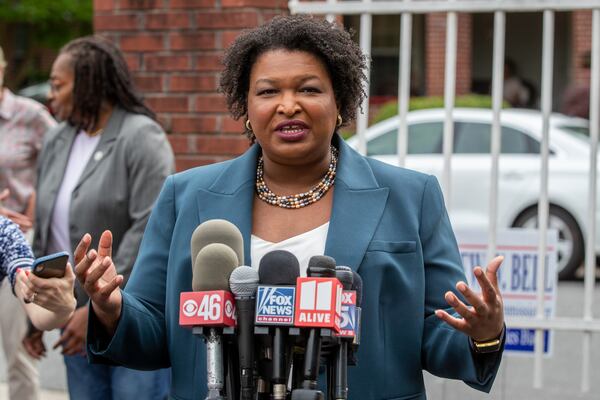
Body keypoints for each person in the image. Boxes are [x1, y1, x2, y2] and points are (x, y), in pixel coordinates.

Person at [73, 16, 504, 399]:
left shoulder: (412, 197)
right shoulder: (185, 196)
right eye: (268, 91)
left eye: (309, 89)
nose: (288, 104)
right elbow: (155, 333)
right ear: (246, 109)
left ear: (341, 105)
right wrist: (112, 310)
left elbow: (439, 335)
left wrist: (482, 335)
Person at [29, 36, 174, 400]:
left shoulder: (141, 137)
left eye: (59, 85)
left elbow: (148, 227)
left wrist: (97, 307)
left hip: (130, 311)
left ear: (88, 82)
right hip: (71, 313)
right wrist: (37, 307)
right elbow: (47, 227)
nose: (51, 95)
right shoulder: (57, 139)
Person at [0, 44, 56, 400]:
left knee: (18, 350)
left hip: (15, 245)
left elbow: (61, 165)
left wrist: (38, 209)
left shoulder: (30, 115)